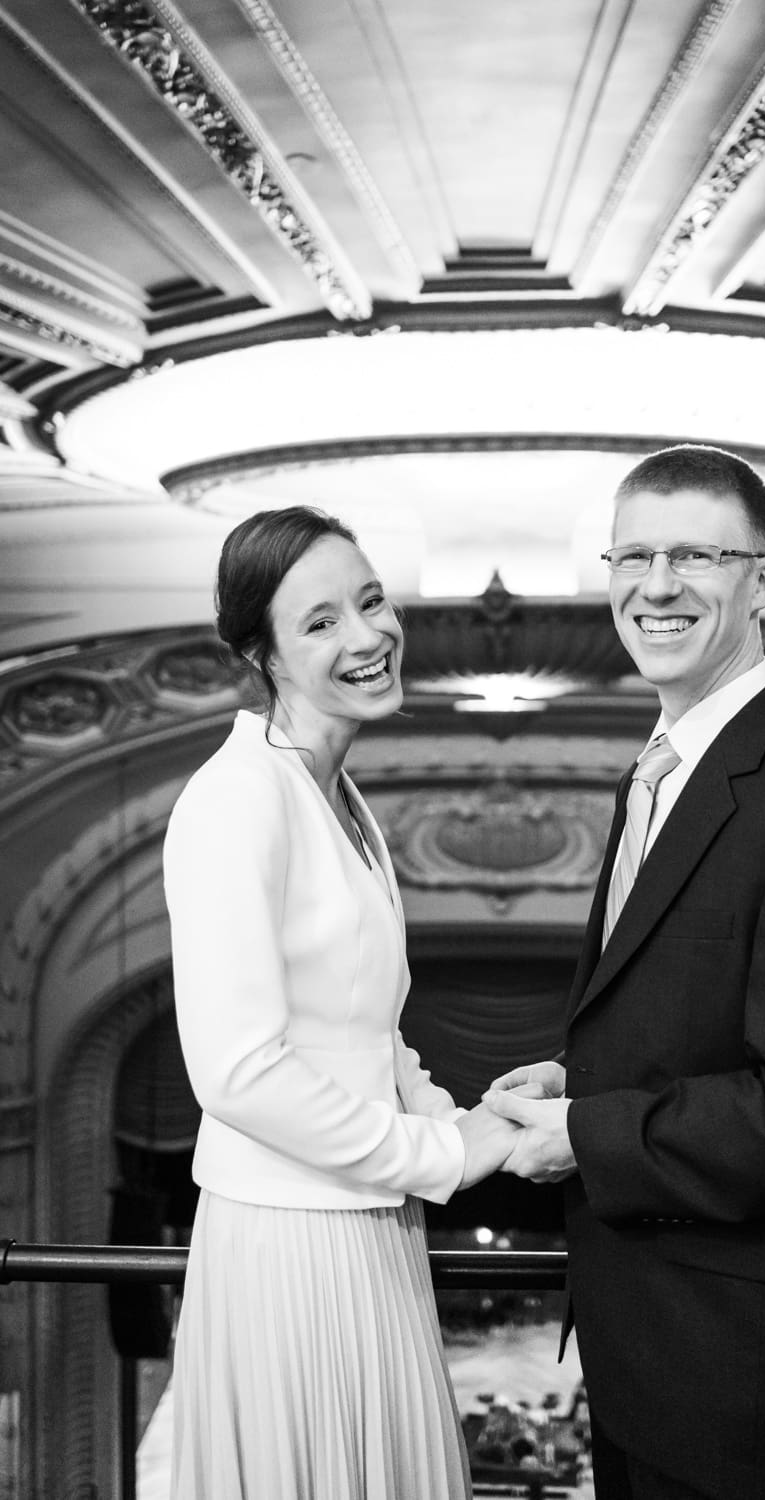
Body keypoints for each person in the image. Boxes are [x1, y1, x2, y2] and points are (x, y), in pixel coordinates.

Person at [485, 444, 765, 1500]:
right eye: (631, 555)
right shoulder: (654, 774)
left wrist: (585, 1134)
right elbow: (697, 1026)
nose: (656, 584)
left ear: (761, 580)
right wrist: (574, 1080)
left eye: (694, 555)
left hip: (748, 1382)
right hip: (647, 1364)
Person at [162, 506, 517, 1500]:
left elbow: (367, 1034)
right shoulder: (236, 799)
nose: (367, 636)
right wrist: (448, 1154)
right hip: (291, 1241)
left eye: (370, 601)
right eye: (320, 622)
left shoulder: (335, 795)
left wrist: (478, 1122)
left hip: (368, 1222)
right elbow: (237, 1073)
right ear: (258, 652)